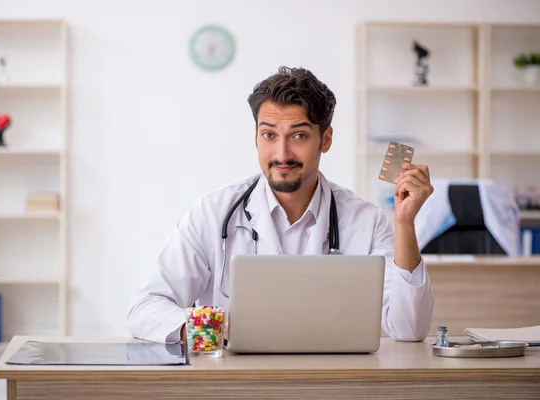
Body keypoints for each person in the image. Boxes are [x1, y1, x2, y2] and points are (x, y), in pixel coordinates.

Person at [127, 66, 435, 344]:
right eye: (269, 135)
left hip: (332, 383)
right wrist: (215, 329)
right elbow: (146, 309)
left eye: (298, 135)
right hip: (233, 382)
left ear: (325, 139)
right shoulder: (213, 212)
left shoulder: (365, 220)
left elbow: (409, 329)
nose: (282, 153)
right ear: (256, 137)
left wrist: (405, 224)